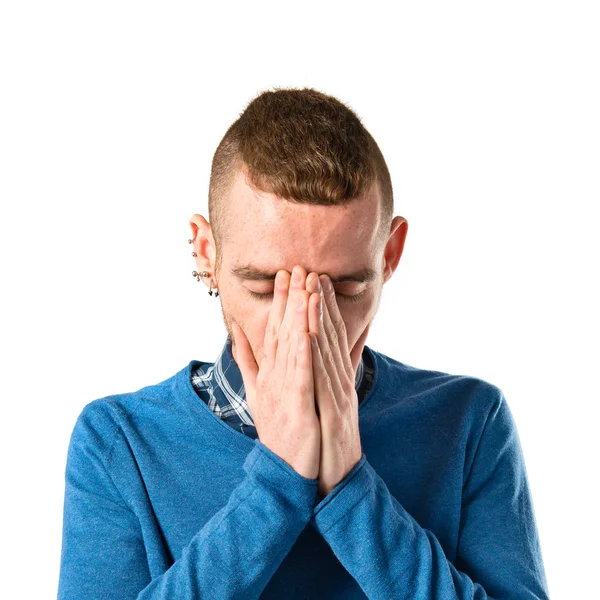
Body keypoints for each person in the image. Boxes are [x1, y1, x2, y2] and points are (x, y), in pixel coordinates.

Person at [57, 87, 550, 599]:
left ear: (390, 255)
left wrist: (351, 490)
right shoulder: (119, 441)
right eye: (267, 287)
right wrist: (276, 482)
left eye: (344, 288)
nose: (306, 324)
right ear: (207, 253)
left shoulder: (468, 421)